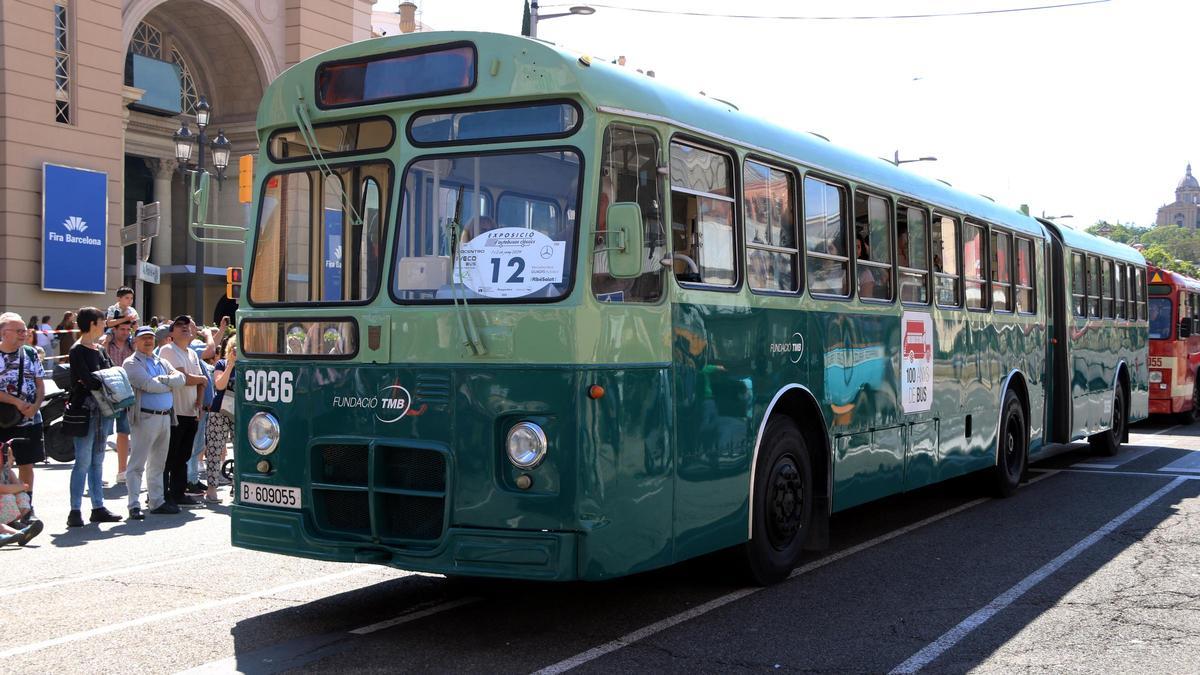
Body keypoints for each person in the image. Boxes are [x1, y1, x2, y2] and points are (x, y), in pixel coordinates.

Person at [66, 307, 122, 527]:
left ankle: (98, 506)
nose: (104, 326)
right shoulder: (77, 350)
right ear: (92, 324)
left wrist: (100, 380)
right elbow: (89, 380)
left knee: (98, 460)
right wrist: (101, 380)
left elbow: (109, 373)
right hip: (84, 411)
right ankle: (75, 510)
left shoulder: (99, 349)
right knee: (82, 461)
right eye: (101, 322)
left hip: (103, 411)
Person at [123, 326, 185, 518]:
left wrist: (164, 380)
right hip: (145, 417)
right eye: (143, 338)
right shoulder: (131, 363)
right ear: (135, 342)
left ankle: (157, 501)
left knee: (158, 463)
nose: (148, 341)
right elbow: (148, 385)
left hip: (165, 417)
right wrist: (168, 384)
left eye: (150, 337)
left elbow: (181, 379)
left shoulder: (161, 361)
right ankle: (133, 504)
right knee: (137, 464)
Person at [157, 316, 207, 508]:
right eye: (179, 325)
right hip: (173, 412)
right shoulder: (168, 349)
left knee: (183, 456)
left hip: (190, 412)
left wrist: (200, 405)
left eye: (187, 325)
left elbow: (202, 382)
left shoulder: (192, 354)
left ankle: (178, 493)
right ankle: (161, 494)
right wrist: (201, 379)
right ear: (171, 333)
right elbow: (183, 378)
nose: (185, 328)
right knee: (168, 456)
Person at [0, 312, 46, 523]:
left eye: (24, 330)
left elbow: (39, 383)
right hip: (4, 419)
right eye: (18, 331)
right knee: (3, 466)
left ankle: (27, 507)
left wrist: (35, 406)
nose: (23, 334)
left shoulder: (30, 353)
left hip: (29, 419)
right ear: (3, 333)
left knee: (27, 464)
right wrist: (17, 403)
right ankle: (7, 513)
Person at [202, 335, 237, 503]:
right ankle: (211, 489)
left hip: (240, 412)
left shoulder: (250, 366)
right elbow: (220, 385)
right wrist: (230, 365)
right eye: (234, 348)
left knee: (241, 451)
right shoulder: (221, 364)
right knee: (215, 449)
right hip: (219, 411)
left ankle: (237, 487)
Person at [103, 322, 134, 483]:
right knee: (103, 433)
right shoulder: (107, 343)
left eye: (128, 329)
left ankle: (122, 471)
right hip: (108, 393)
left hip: (126, 393)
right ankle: (97, 472)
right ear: (114, 330)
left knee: (124, 432)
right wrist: (107, 338)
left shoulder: (132, 345)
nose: (126, 332)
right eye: (122, 329)